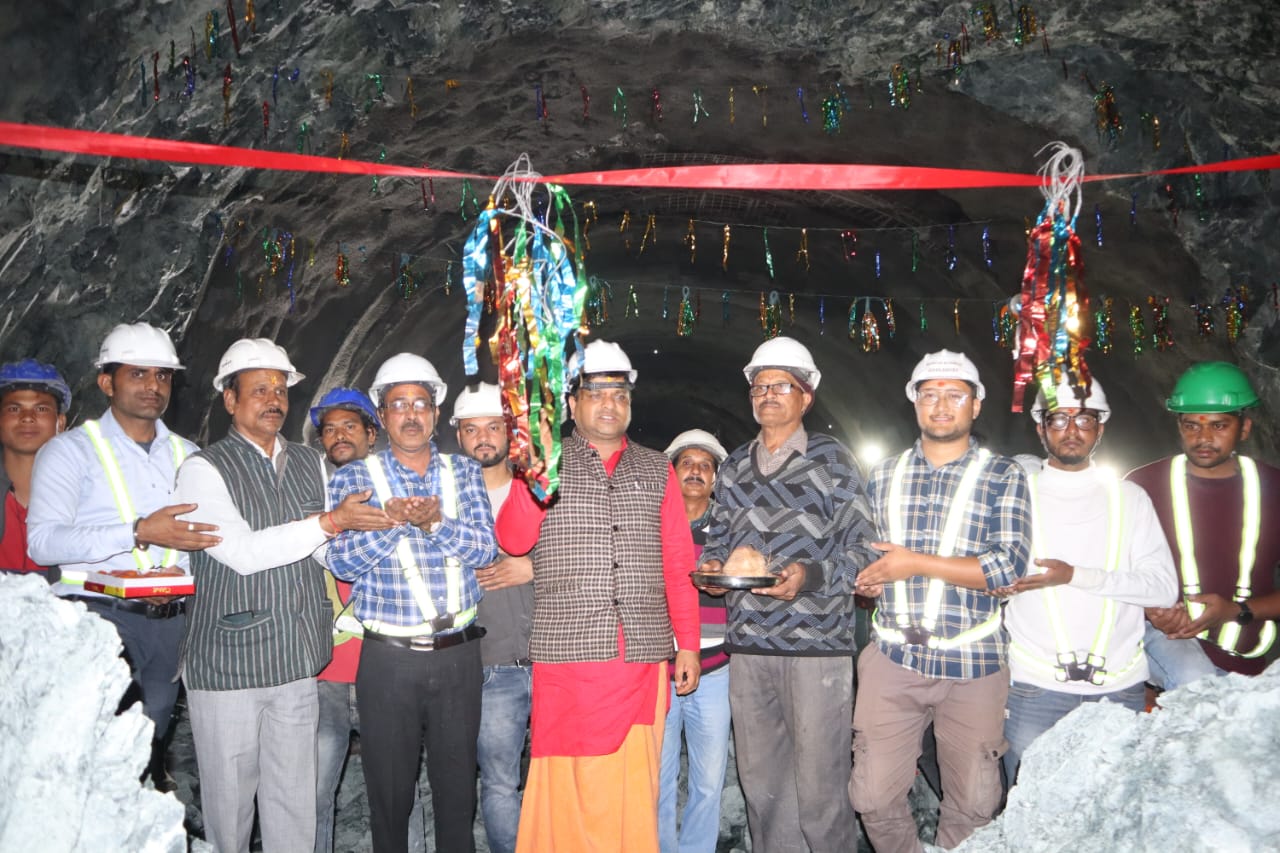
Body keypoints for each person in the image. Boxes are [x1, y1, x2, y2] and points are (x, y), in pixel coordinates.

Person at [173, 338, 393, 853]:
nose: (273, 399)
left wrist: (384, 546)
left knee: (294, 805)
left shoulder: (307, 463)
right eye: (258, 390)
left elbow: (323, 550)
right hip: (228, 667)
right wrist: (331, 521)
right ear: (230, 400)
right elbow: (244, 553)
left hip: (296, 661)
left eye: (280, 389)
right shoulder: (203, 469)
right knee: (230, 807)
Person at [495, 339, 700, 853]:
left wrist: (690, 645)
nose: (610, 404)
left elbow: (678, 564)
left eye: (620, 394)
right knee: (565, 784)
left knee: (634, 784)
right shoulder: (548, 462)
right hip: (567, 657)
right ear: (572, 404)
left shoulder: (658, 470)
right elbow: (513, 540)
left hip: (639, 657)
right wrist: (535, 471)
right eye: (596, 393)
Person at [695, 337, 876, 853]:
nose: (767, 394)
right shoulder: (732, 465)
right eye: (759, 385)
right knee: (762, 787)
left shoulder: (831, 460)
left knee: (821, 790)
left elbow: (864, 550)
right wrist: (711, 568)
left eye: (780, 385)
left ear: (806, 396)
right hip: (749, 646)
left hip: (816, 650)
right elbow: (721, 541)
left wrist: (809, 575)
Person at [850, 349, 1031, 853]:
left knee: (972, 802)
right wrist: (870, 582)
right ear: (914, 403)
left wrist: (916, 564)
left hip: (972, 662)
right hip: (893, 657)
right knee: (872, 796)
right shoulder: (884, 474)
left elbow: (1007, 565)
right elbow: (871, 554)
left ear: (976, 405)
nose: (941, 405)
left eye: (955, 394)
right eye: (929, 394)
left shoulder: (1004, 475)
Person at [27, 324, 219, 788]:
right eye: (138, 374)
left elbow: (207, 540)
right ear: (107, 382)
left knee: (147, 749)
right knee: (99, 752)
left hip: (172, 625)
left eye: (162, 376)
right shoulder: (69, 451)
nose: (153, 386)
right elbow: (43, 543)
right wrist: (136, 532)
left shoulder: (190, 454)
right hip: (100, 618)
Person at [327, 353, 498, 853]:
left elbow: (484, 549)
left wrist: (434, 523)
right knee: (390, 790)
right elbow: (342, 563)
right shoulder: (354, 478)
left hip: (458, 654)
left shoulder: (463, 473)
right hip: (388, 660)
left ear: (435, 413)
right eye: (398, 403)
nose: (410, 413)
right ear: (382, 416)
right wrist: (392, 522)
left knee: (456, 789)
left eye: (420, 403)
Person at [1000, 379, 1178, 782]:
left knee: (1107, 820)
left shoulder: (1129, 499)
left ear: (1101, 427)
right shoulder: (1012, 496)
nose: (1071, 428)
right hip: (1034, 690)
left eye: (1084, 417)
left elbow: (1163, 588)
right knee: (1030, 819)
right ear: (1041, 428)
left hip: (1118, 690)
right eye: (1058, 418)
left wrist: (1074, 576)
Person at [1127, 361, 1280, 683]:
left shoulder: (1273, 488)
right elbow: (1110, 574)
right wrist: (1151, 612)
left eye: (1219, 425)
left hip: (1246, 650)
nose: (1203, 438)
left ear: (1245, 428)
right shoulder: (1142, 486)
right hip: (1164, 640)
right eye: (1191, 426)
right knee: (1194, 681)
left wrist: (1236, 611)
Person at [309, 387, 395, 853]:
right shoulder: (310, 493)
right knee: (316, 788)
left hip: (382, 661)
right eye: (329, 429)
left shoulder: (401, 487)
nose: (338, 436)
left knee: (394, 788)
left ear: (371, 432)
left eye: (349, 426)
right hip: (324, 668)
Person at [450, 382, 535, 853]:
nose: (483, 437)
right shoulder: (446, 500)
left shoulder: (541, 490)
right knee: (501, 781)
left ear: (510, 433)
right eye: (471, 429)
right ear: (458, 437)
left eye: (493, 427)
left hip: (554, 656)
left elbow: (585, 552)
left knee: (557, 773)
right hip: (489, 662)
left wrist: (532, 565)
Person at [659, 428, 734, 853]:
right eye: (687, 462)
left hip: (715, 671)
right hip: (660, 671)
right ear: (672, 472)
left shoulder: (731, 526)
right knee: (659, 776)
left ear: (715, 477)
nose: (696, 471)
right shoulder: (650, 523)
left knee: (708, 780)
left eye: (705, 465)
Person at [0, 359, 69, 575]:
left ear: (60, 422)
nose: (27, 418)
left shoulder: (84, 495)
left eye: (40, 409)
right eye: (14, 408)